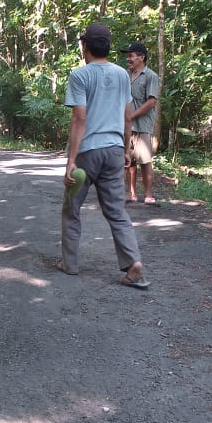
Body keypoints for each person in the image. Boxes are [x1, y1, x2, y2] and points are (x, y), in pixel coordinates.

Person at [60, 22, 149, 289]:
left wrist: (71, 160)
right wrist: (125, 149)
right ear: (108, 46)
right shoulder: (123, 74)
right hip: (113, 152)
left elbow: (79, 119)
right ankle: (133, 263)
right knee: (116, 211)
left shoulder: (80, 75)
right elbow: (127, 117)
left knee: (71, 209)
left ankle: (70, 264)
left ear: (84, 45)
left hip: (87, 154)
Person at [118, 41, 160, 204]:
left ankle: (148, 194)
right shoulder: (125, 76)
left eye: (131, 56)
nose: (128, 59)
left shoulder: (151, 76)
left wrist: (132, 116)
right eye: (127, 56)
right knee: (128, 160)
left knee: (145, 160)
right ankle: (132, 193)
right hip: (126, 125)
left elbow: (151, 102)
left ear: (141, 57)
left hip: (143, 125)